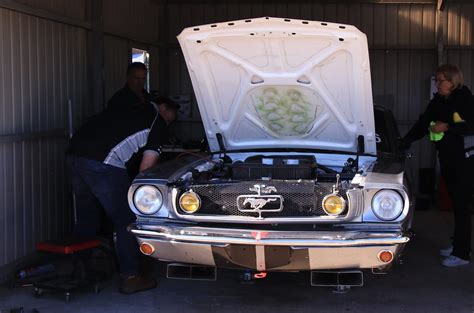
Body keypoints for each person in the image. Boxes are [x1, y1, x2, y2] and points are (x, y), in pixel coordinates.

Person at [67, 62, 179, 293]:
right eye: (171, 118)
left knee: (87, 216)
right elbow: (144, 172)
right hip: (103, 162)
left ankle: (81, 270)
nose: (169, 123)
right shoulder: (158, 123)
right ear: (164, 109)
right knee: (126, 218)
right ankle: (130, 277)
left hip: (75, 153)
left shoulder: (129, 105)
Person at [400, 64, 473, 267]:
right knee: (455, 203)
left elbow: (471, 125)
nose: (438, 84)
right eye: (437, 80)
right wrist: (404, 142)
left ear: (453, 81)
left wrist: (447, 126)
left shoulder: (464, 98)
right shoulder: (439, 101)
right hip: (449, 157)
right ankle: (459, 243)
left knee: (461, 204)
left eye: (441, 80)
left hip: (465, 160)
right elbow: (423, 123)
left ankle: (462, 254)